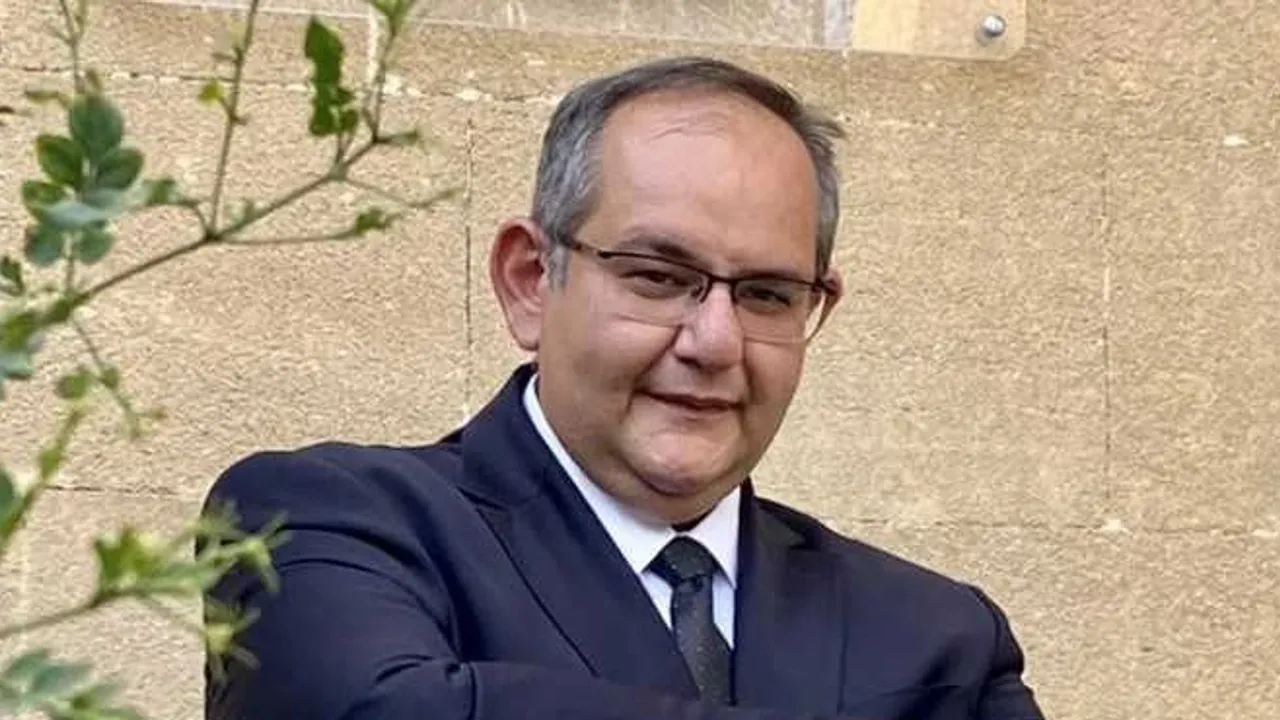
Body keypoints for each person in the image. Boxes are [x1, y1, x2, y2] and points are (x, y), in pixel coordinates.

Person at [201, 56, 1046, 720]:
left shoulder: (935, 634)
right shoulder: (322, 521)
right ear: (530, 280)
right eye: (657, 277)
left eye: (766, 294)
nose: (714, 342)